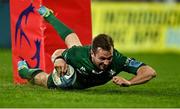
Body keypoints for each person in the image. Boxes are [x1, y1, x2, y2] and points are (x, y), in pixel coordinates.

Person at [18, 6, 156, 89]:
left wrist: (130, 82)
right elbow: (57, 53)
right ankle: (23, 70)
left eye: (109, 58)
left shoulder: (118, 60)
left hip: (82, 62)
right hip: (72, 78)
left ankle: (49, 15)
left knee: (74, 44)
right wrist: (59, 60)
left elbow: (150, 71)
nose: (107, 62)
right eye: (102, 58)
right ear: (92, 53)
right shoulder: (79, 54)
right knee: (43, 81)